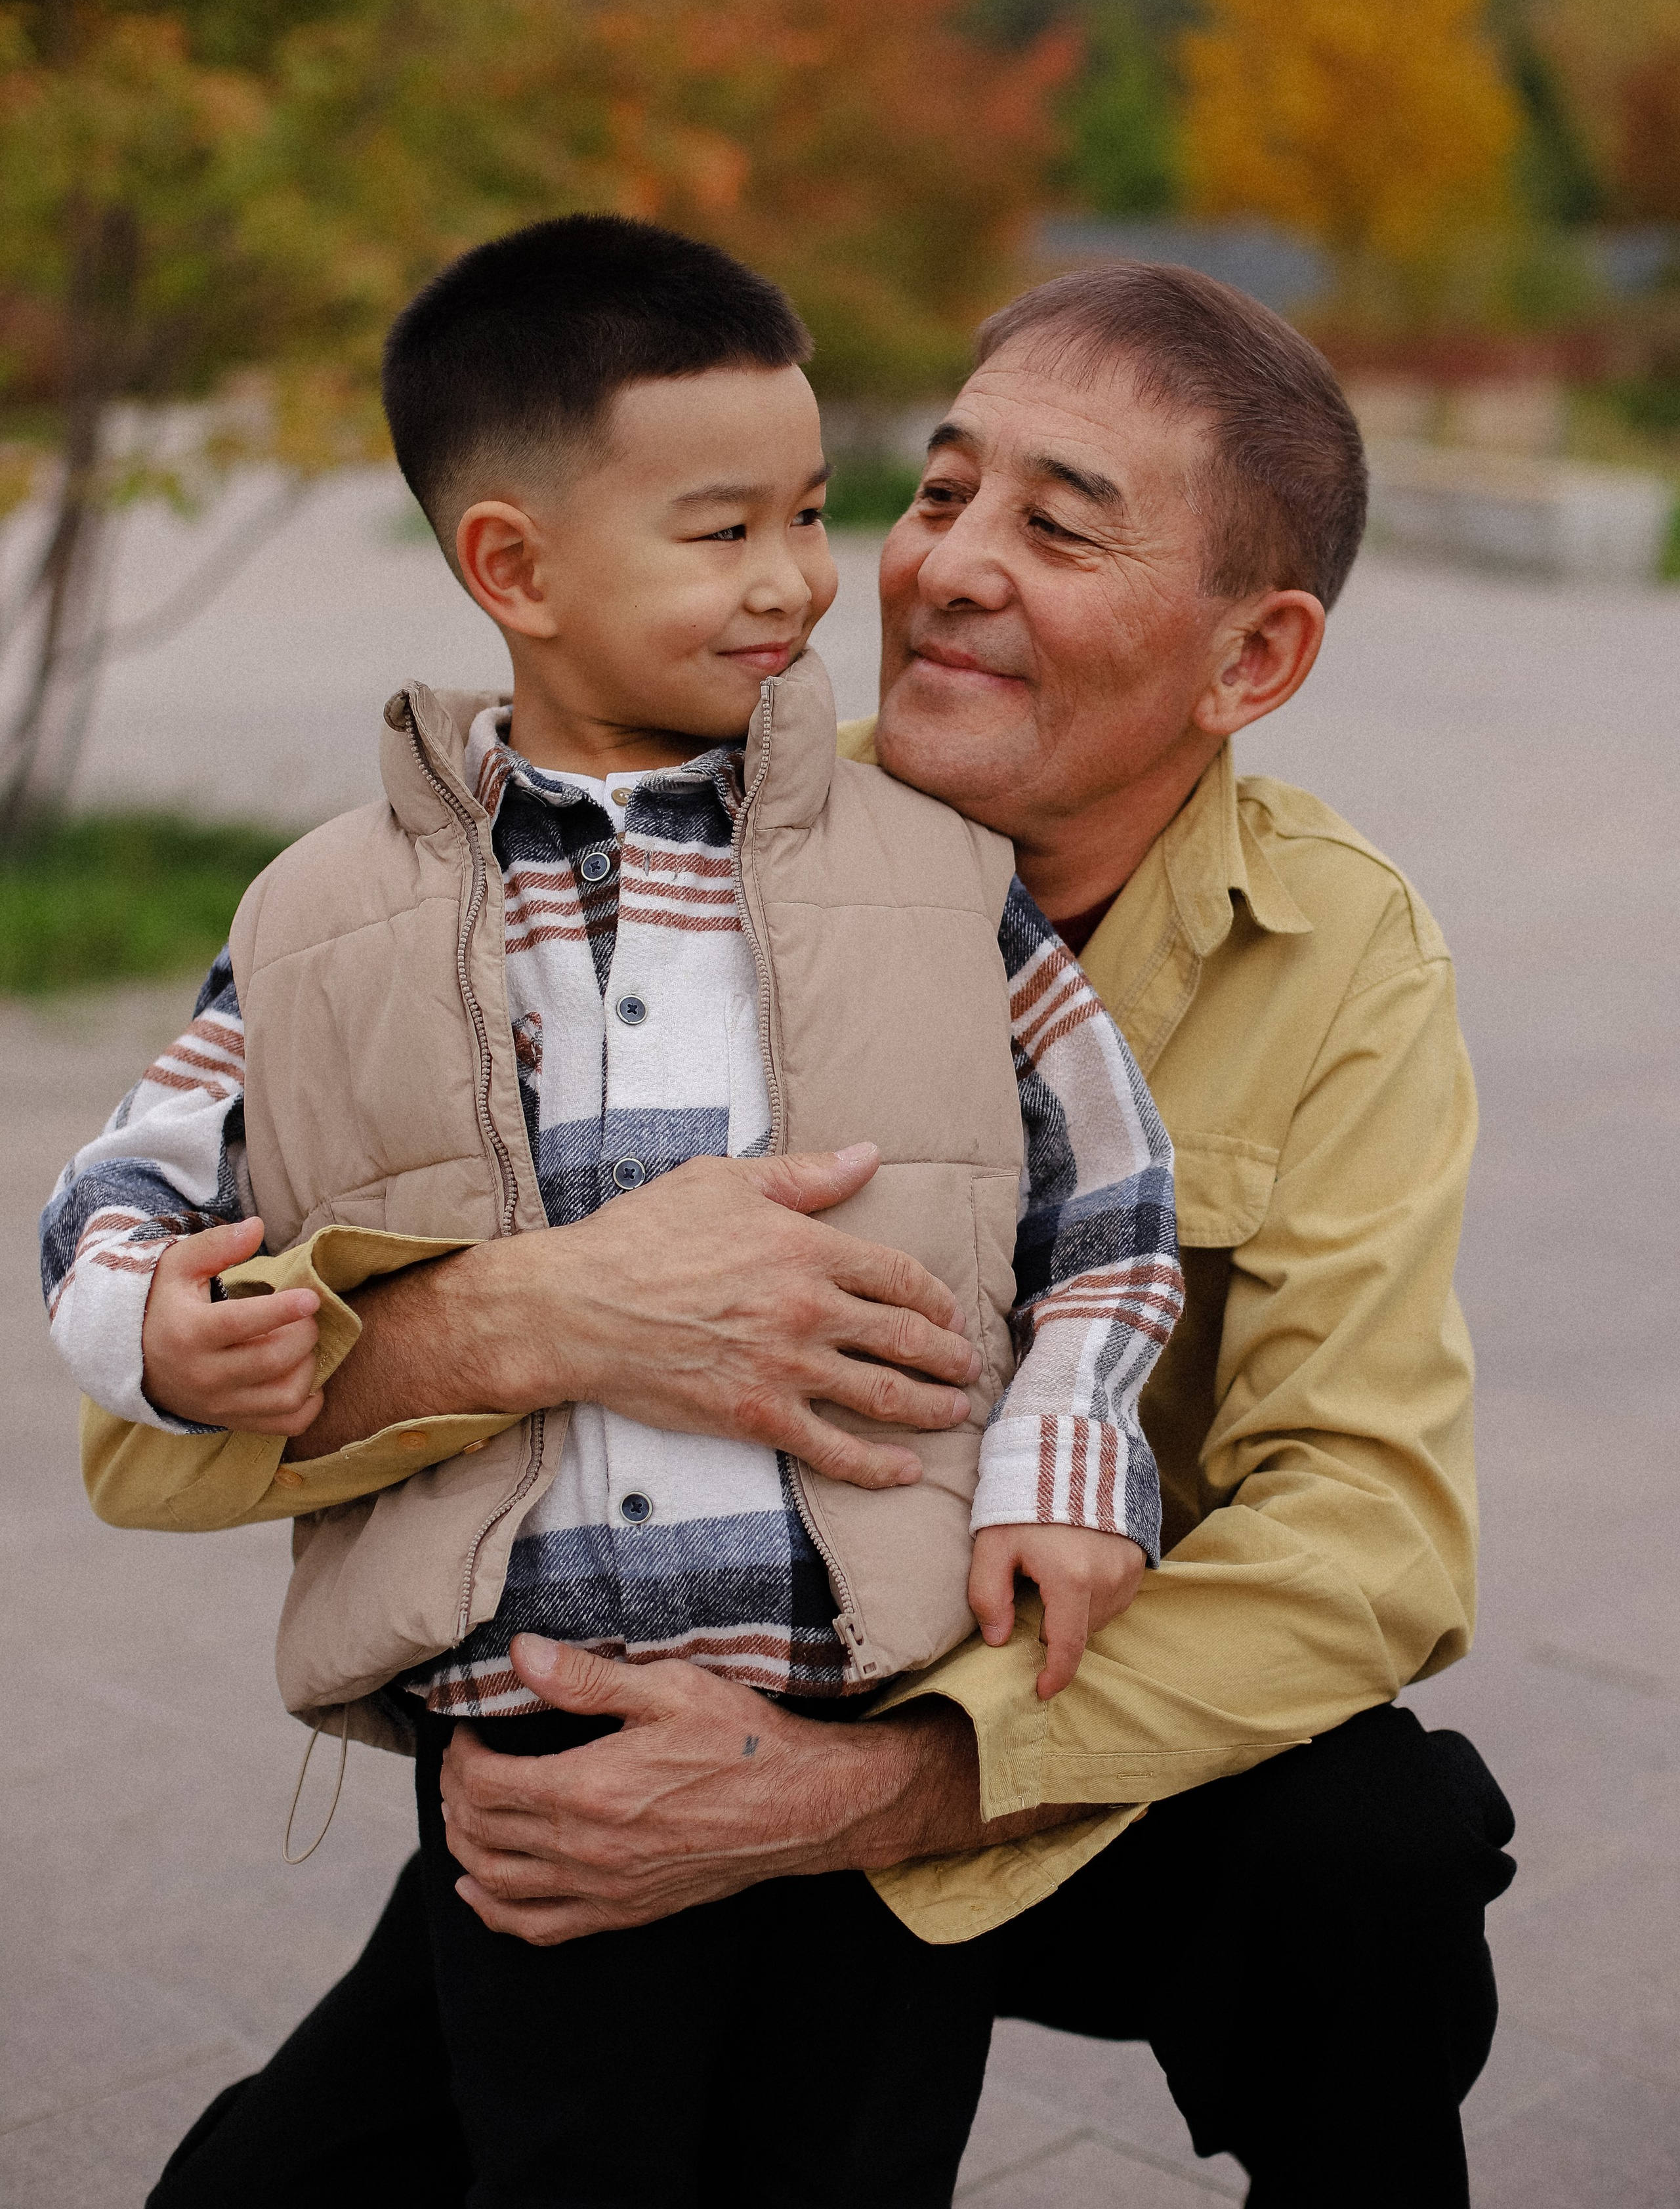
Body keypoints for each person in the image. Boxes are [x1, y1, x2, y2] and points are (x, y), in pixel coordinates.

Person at [73, 259, 1512, 2209]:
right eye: (935, 493)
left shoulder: (1341, 953)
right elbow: (144, 1431)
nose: (936, 570)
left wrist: (875, 1787)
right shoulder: (628, 835)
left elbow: (1372, 1529)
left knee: (1377, 1855)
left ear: (1249, 662)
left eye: (1057, 524)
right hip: (632, 1725)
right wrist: (546, 1316)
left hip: (1042, 1740)